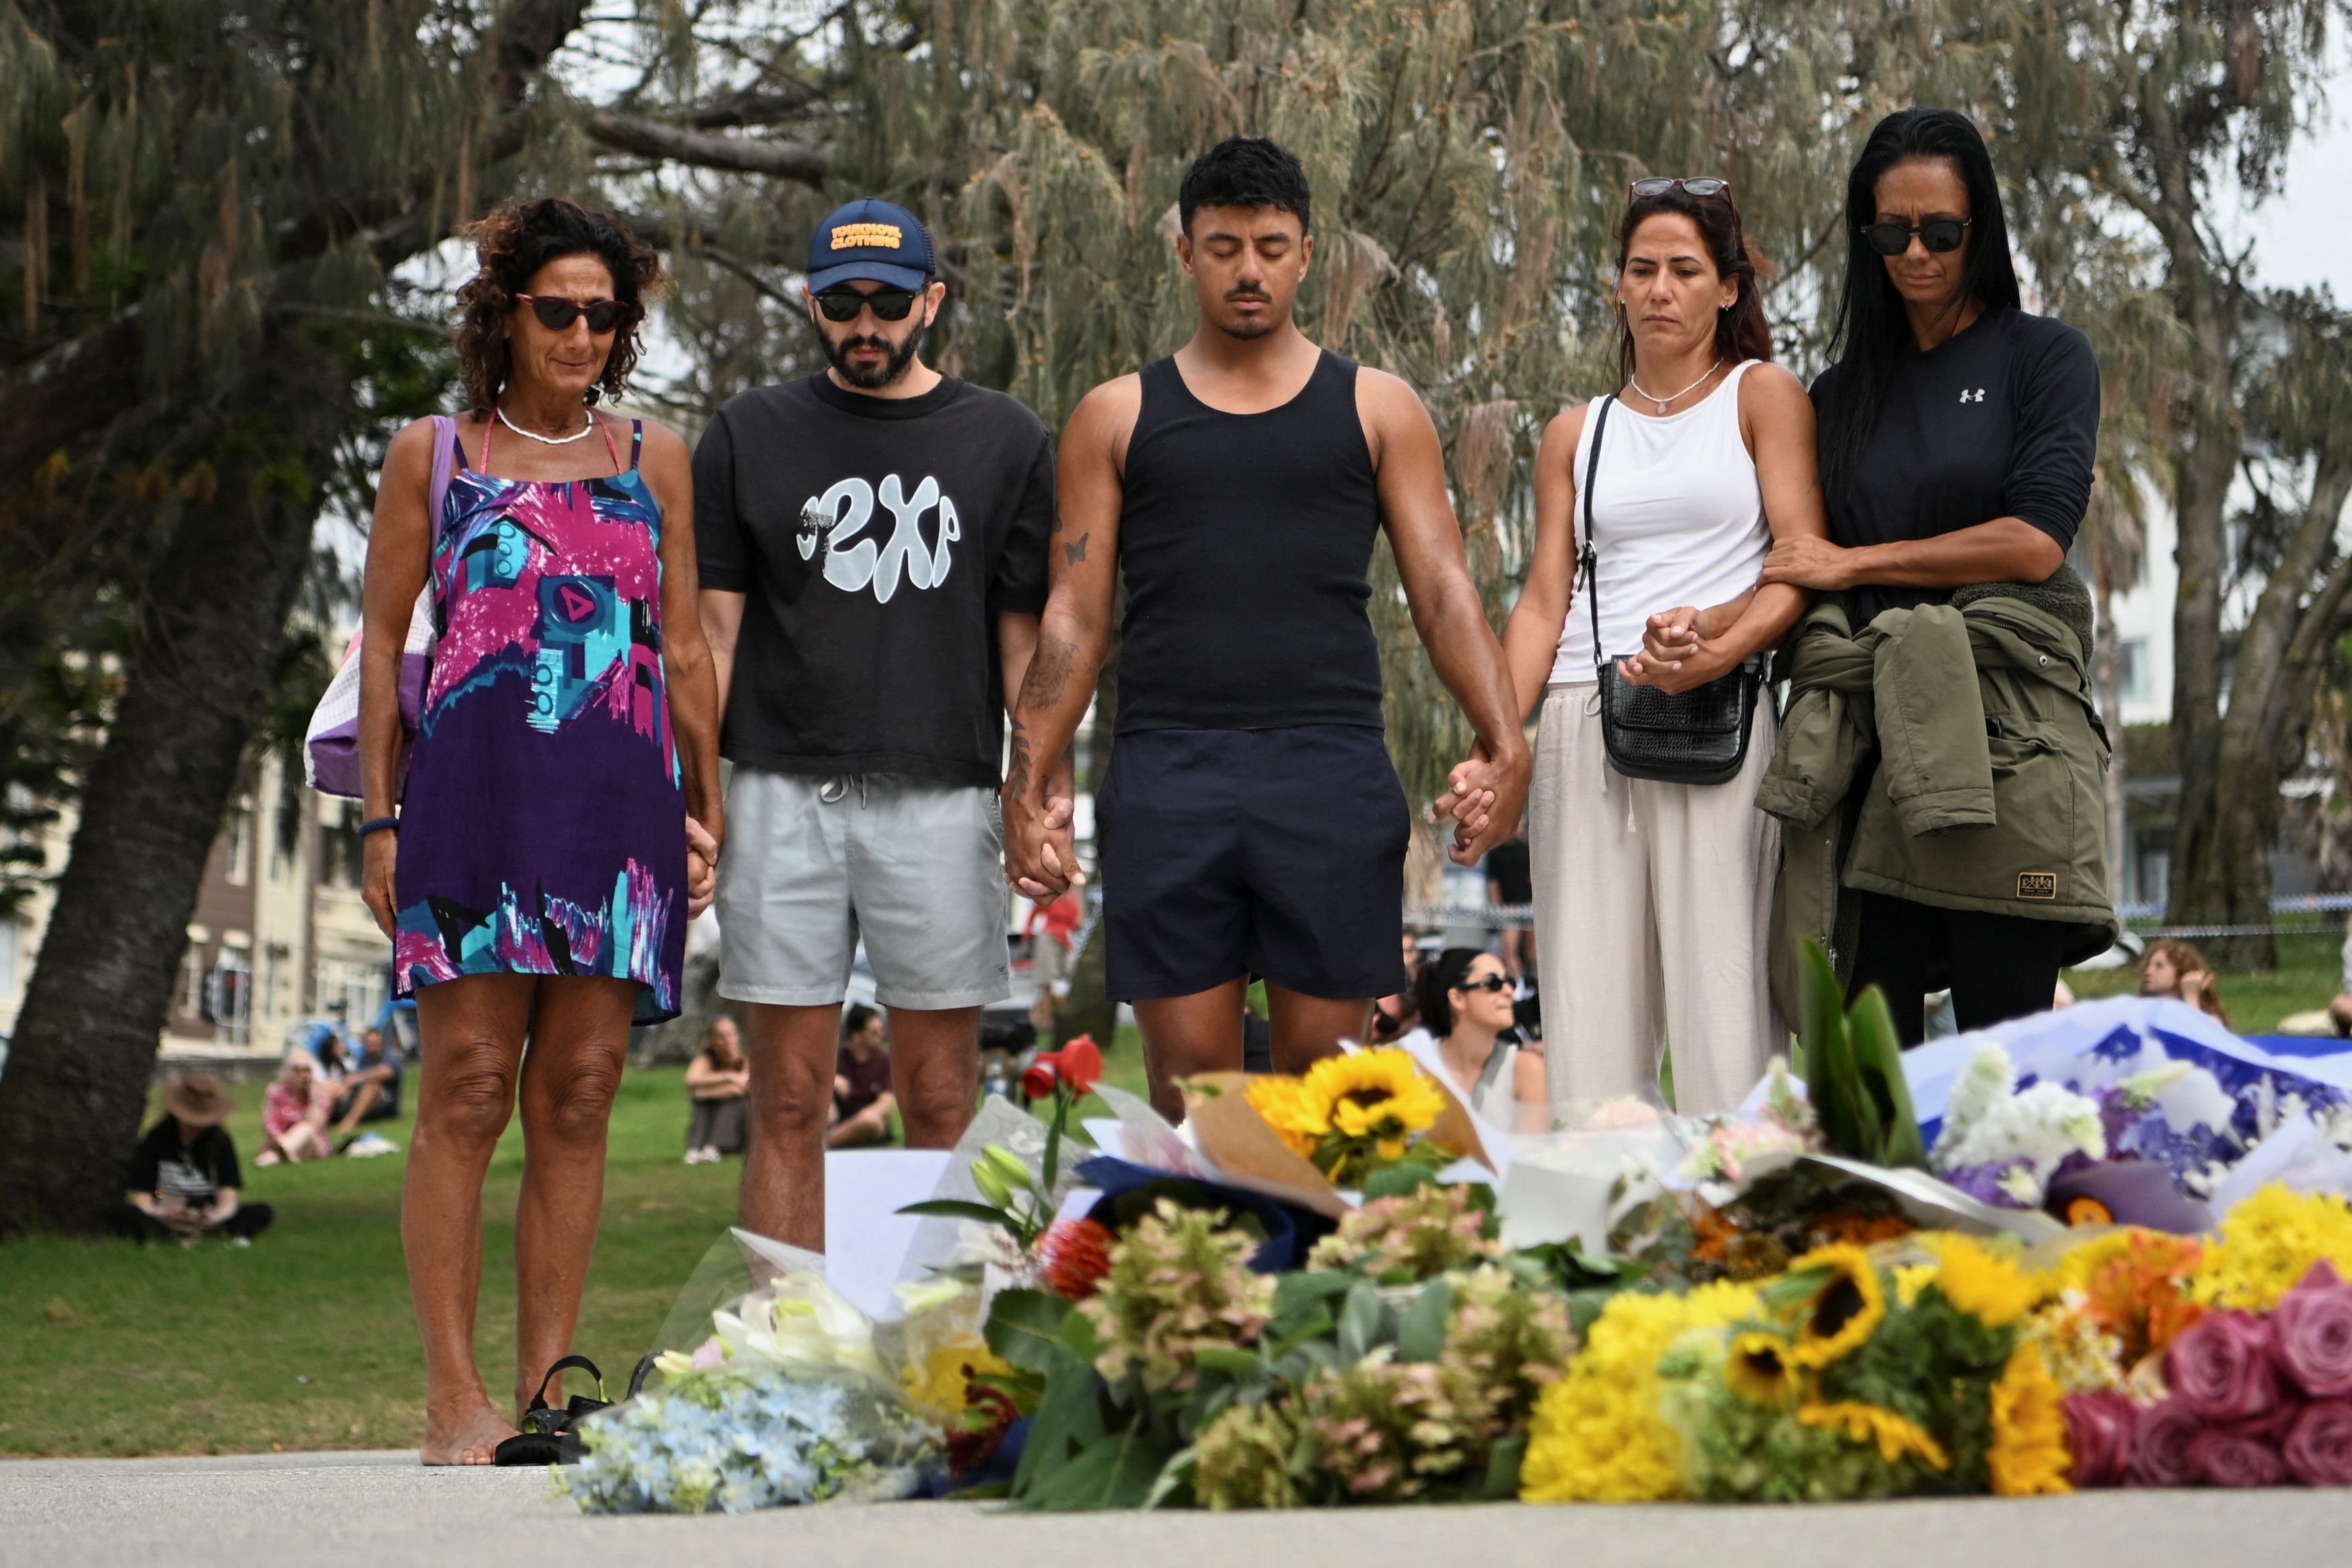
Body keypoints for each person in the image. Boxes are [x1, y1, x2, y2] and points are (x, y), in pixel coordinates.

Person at [1001, 137, 1530, 1121]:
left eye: (1272, 246)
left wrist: (1508, 741)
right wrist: (1025, 774)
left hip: (1327, 767)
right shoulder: (1115, 415)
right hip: (1168, 769)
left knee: (1327, 1100)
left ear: (1307, 252)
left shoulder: (1379, 407)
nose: (1249, 268)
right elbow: (1075, 616)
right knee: (1191, 1099)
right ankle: (1200, 1276)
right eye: (1226, 245)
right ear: (1186, 253)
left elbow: (1446, 587)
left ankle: (1317, 1272)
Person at [357, 197, 722, 1465]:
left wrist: (703, 809)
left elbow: (680, 646)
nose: (580, 332)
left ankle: (547, 1386)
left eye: (602, 314)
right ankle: (454, 1395)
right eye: (557, 309)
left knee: (579, 1090)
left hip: (619, 811)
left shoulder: (651, 458)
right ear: (505, 310)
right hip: (472, 802)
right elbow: (385, 643)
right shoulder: (435, 454)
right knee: (465, 1090)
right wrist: (382, 816)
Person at [695, 198, 1060, 1250]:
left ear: (931, 302)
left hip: (941, 794)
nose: (866, 322)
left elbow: (1024, 646)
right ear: (813, 303)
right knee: (788, 1101)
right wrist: (699, 803)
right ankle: (785, 1354)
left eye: (889, 302)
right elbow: (712, 637)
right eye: (843, 302)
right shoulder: (749, 432)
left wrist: (1031, 790)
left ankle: (943, 1361)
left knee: (942, 1096)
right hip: (777, 790)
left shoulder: (1004, 436)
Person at [1757, 108, 2115, 1045]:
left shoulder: (2046, 358)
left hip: (2005, 738)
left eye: (1942, 232)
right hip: (1867, 750)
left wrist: (1858, 561)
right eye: (1891, 232)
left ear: (1981, 229)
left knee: (2006, 1073)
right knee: (1871, 1083)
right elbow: (1795, 558)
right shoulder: (1837, 395)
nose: (1916, 252)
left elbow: (2037, 541)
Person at [1499, 177, 1823, 1117]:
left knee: (1727, 1015)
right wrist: (1500, 740)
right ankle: (1606, 1239)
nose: (1660, 289)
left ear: (1728, 288)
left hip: (1718, 716)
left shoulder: (1763, 397)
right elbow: (1539, 602)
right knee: (1589, 1019)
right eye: (1641, 269)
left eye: (1685, 269)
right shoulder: (1577, 431)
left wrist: (1723, 643)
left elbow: (1798, 567)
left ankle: (1744, 1226)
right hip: (1580, 714)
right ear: (1617, 286)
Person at [114, 1075, 274, 1245]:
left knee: (261, 1211)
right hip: (164, 1211)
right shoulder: (155, 1142)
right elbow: (143, 1199)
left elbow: (228, 1199)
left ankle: (205, 1235)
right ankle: (169, 1237)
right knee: (123, 1213)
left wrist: (214, 1216)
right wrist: (163, 1213)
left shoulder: (221, 1143)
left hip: (207, 1213)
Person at [1405, 949, 1547, 1135]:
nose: (1509, 991)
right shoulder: (1412, 1063)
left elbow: (1535, 1155)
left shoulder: (1527, 1069)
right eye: (1493, 983)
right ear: (1457, 998)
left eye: (1509, 981)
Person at [683, 1014, 751, 1164]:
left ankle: (714, 1146)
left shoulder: (747, 1059)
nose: (726, 1041)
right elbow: (691, 1080)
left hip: (743, 1124)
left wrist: (703, 1092)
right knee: (704, 1103)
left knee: (732, 1102)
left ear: (737, 1036)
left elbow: (740, 1089)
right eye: (720, 1036)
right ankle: (697, 1148)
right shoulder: (706, 1060)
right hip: (713, 1113)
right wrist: (729, 1077)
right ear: (712, 1040)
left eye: (729, 1035)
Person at [828, 1004, 896, 1149]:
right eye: (874, 1031)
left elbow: (885, 1103)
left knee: (870, 1121)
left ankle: (825, 1143)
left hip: (868, 1118)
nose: (881, 1034)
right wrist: (831, 1081)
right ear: (857, 1036)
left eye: (881, 1029)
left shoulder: (885, 1060)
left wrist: (863, 1117)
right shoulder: (837, 1058)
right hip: (839, 1117)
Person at [1023, 888, 1083, 1035]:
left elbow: (1075, 922)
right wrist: (1027, 934)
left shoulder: (1074, 899)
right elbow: (1033, 914)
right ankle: (1043, 1021)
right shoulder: (1049, 895)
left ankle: (1038, 1018)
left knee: (1068, 977)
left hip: (1065, 941)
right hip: (1048, 939)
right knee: (1047, 982)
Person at [327, 1025, 402, 1141]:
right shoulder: (361, 1060)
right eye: (369, 1043)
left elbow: (387, 1071)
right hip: (359, 1101)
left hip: (384, 1104)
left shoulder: (388, 1058)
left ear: (381, 1044)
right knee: (333, 1087)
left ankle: (349, 1123)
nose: (372, 1047)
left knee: (372, 1086)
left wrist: (356, 1078)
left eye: (375, 1043)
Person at [257, 1052, 334, 1166]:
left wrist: (313, 1096)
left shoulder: (319, 1095)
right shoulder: (275, 1093)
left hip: (312, 1145)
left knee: (306, 1128)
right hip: (280, 1138)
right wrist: (279, 1139)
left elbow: (317, 1126)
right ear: (288, 1073)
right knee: (273, 1155)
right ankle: (281, 1154)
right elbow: (268, 1123)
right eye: (297, 1071)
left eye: (307, 1070)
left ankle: (281, 1150)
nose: (303, 1075)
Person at [2140, 938, 2230, 1030]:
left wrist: (2191, 998)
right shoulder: (2141, 1011)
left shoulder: (2210, 1019)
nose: (2148, 972)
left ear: (2181, 973)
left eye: (2159, 966)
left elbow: (2199, 1039)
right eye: (2148, 965)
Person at [1484, 836, 1535, 986]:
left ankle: (1533, 984)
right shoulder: (1496, 853)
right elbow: (1493, 883)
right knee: (1509, 950)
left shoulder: (1526, 849)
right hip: (1508, 907)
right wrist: (1500, 908)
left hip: (1528, 905)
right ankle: (1517, 985)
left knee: (1532, 950)